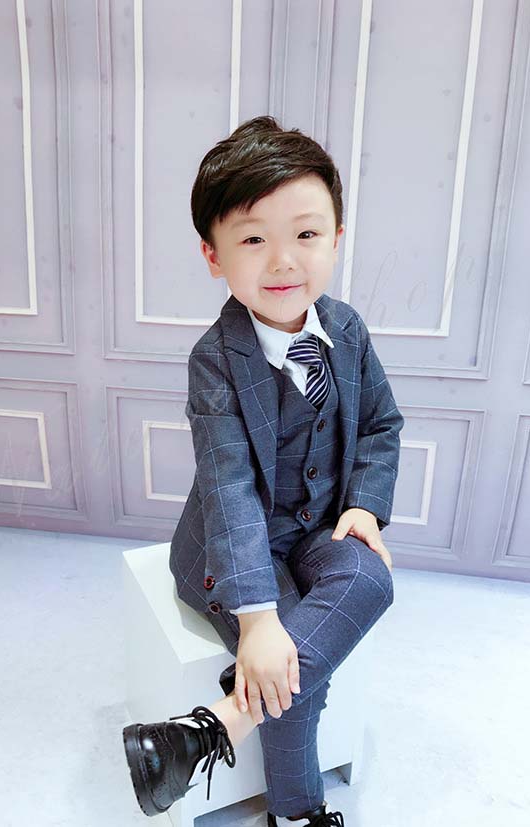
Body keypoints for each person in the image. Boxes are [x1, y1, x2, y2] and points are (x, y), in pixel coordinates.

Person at [122, 115, 404, 826]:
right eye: (253, 239)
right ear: (212, 255)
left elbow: (380, 424)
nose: (283, 261)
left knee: (370, 575)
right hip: (235, 550)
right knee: (285, 663)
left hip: (317, 530)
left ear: (336, 239)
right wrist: (256, 619)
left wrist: (363, 506)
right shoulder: (216, 360)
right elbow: (229, 492)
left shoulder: (347, 330)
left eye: (306, 234)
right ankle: (298, 813)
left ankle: (209, 730)